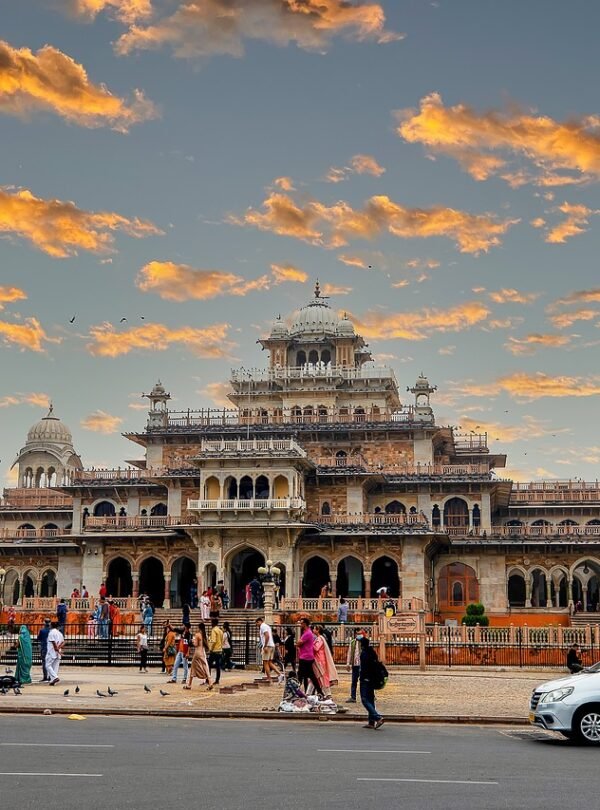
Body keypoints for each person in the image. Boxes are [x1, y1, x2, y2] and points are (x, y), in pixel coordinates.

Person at [359, 635, 384, 729]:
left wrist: (362, 677)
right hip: (372, 679)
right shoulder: (372, 652)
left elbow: (364, 668)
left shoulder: (364, 654)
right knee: (370, 699)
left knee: (364, 699)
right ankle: (371, 722)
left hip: (365, 679)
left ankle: (377, 717)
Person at [312, 624, 338, 698]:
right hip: (319, 659)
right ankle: (322, 693)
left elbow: (316, 648)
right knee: (319, 676)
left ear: (318, 630)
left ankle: (327, 693)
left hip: (320, 660)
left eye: (314, 629)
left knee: (322, 676)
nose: (313, 630)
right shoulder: (319, 638)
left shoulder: (320, 639)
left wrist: (310, 644)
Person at [296, 618, 321, 694]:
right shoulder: (307, 633)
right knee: (310, 675)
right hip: (307, 656)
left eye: (301, 623)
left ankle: (296, 691)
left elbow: (299, 643)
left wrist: (298, 643)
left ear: (305, 624)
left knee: (301, 675)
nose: (300, 625)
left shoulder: (307, 633)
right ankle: (319, 691)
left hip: (305, 657)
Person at [184, 623, 211, 690]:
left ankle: (189, 685)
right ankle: (210, 683)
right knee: (205, 667)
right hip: (203, 652)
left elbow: (196, 644)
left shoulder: (197, 634)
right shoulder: (205, 635)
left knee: (193, 667)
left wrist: (192, 641)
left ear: (199, 628)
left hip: (197, 652)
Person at [345, 628, 363, 703]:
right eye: (358, 634)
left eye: (361, 633)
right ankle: (353, 697)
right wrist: (348, 663)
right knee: (354, 681)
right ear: (355, 634)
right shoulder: (352, 642)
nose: (360, 635)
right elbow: (349, 653)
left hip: (363, 665)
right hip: (355, 664)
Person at [45, 621, 64, 686]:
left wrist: (56, 648)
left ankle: (55, 677)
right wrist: (58, 648)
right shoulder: (60, 633)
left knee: (48, 665)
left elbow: (53, 642)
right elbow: (63, 642)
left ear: (51, 626)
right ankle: (53, 680)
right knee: (55, 667)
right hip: (57, 652)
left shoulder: (51, 633)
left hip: (52, 651)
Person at [208, 618, 224, 687]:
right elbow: (222, 640)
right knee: (218, 666)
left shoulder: (214, 630)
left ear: (213, 623)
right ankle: (217, 680)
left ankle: (208, 679)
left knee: (209, 665)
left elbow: (213, 641)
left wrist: (211, 648)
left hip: (214, 650)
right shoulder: (220, 631)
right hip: (220, 650)